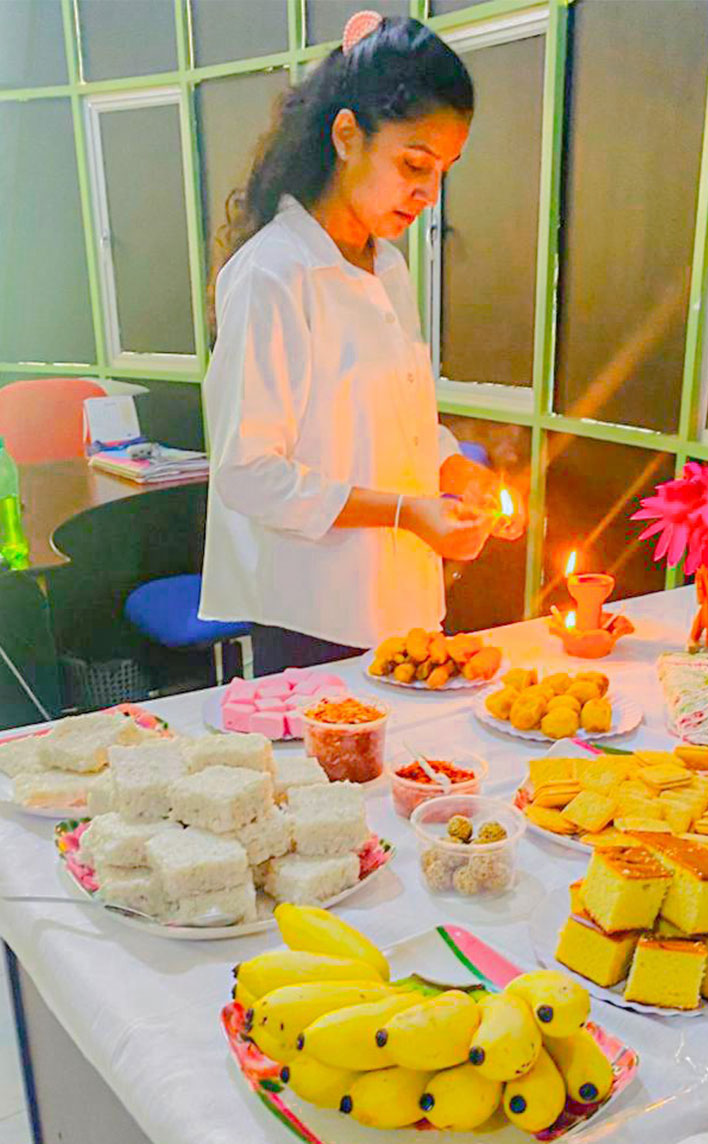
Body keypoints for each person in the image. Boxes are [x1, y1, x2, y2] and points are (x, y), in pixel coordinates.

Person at [200, 10, 518, 669]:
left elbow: (391, 421)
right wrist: (408, 513)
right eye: (414, 163)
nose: (428, 192)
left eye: (443, 170)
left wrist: (454, 469)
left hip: (401, 602)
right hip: (314, 615)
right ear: (347, 136)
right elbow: (248, 472)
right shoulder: (272, 274)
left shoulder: (388, 267)